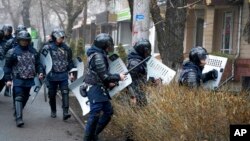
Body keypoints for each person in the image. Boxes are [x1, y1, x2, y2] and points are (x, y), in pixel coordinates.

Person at [83, 33, 125, 141]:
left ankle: (94, 134)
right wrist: (118, 77)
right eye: (108, 45)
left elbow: (100, 75)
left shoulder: (100, 54)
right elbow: (105, 76)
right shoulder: (98, 56)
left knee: (108, 111)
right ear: (103, 45)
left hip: (99, 88)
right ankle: (88, 138)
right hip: (94, 88)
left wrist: (108, 84)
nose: (110, 47)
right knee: (95, 113)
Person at [4, 31, 44, 127]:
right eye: (22, 41)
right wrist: (8, 79)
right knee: (18, 96)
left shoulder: (33, 51)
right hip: (17, 78)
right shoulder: (12, 52)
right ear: (18, 41)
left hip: (29, 79)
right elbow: (7, 67)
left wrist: (41, 72)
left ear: (29, 41)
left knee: (25, 98)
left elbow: (38, 64)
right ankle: (19, 118)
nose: (24, 42)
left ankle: (18, 111)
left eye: (26, 41)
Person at [41, 29, 75, 120]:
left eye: (62, 37)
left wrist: (71, 72)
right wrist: (42, 72)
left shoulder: (67, 48)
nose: (61, 39)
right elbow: (43, 62)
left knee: (65, 92)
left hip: (63, 74)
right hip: (52, 75)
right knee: (52, 94)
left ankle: (65, 112)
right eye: (59, 37)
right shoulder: (47, 48)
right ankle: (53, 110)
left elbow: (70, 62)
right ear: (54, 37)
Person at [3, 25, 27, 97]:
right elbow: (5, 52)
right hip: (11, 61)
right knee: (8, 76)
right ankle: (8, 88)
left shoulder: (27, 41)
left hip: (22, 62)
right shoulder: (11, 42)